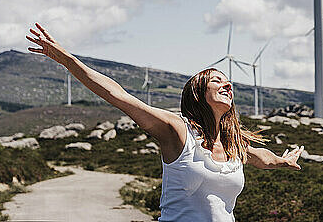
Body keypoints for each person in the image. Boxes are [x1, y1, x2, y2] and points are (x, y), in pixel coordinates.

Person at [26, 22, 304, 221]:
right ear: (198, 94)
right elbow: (118, 95)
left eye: (228, 81)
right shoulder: (177, 131)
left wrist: (281, 161)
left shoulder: (233, 143)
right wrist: (67, 60)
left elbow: (260, 157)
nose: (227, 84)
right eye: (217, 80)